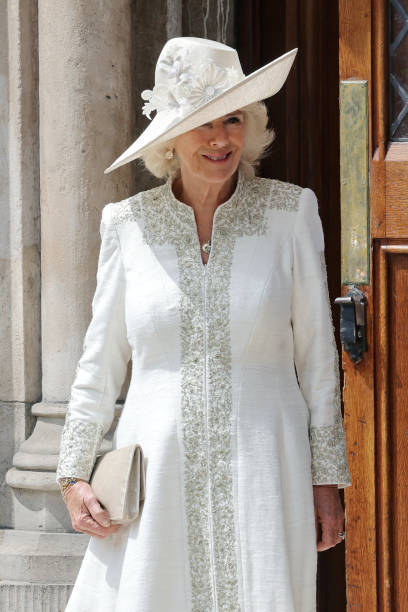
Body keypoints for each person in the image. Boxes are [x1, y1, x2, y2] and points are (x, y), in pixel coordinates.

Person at [56, 37, 351, 612]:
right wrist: (73, 473)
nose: (221, 139)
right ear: (169, 136)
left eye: (233, 120)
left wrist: (326, 478)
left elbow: (318, 361)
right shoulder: (127, 224)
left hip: (269, 465)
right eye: (202, 123)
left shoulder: (291, 214)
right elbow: (101, 362)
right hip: (154, 476)